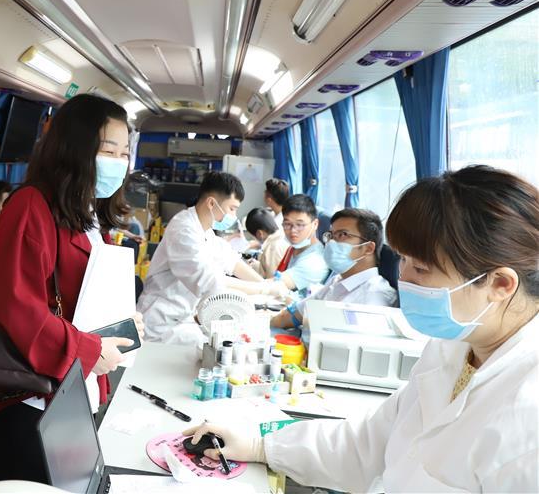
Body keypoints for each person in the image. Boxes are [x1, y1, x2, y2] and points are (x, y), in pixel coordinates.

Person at [185, 165, 539, 492]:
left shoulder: (527, 418)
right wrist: (260, 445)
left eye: (421, 268)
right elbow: (368, 443)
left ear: (500, 285)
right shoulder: (453, 348)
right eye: (403, 260)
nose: (403, 278)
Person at [0, 94, 142, 484]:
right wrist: (89, 350)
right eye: (108, 151)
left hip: (69, 386)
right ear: (75, 148)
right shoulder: (30, 207)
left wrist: (120, 323)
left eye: (124, 154)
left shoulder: (85, 211)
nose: (118, 163)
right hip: (32, 396)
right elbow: (17, 308)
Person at [137, 172, 262, 346]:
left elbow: (231, 261)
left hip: (181, 317)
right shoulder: (184, 230)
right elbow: (210, 280)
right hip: (161, 323)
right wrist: (262, 290)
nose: (234, 216)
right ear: (211, 203)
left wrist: (263, 283)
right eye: (232, 209)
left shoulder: (204, 231)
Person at [271, 208, 396, 329]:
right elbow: (293, 315)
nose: (331, 242)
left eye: (342, 234)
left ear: (368, 248)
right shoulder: (337, 281)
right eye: (331, 235)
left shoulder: (375, 297)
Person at [228, 194, 330, 300]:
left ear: (315, 224)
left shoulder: (314, 262)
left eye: (300, 225)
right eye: (287, 224)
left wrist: (224, 283)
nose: (293, 230)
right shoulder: (294, 249)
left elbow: (271, 286)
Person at [244, 207, 290, 278]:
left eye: (254, 236)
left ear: (259, 234)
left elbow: (271, 280)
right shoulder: (282, 237)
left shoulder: (272, 248)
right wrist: (257, 265)